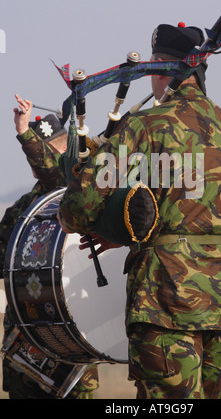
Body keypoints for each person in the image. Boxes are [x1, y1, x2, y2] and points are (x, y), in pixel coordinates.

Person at [57, 23, 221, 399]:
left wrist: (99, 216)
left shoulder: (146, 125)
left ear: (160, 69)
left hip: (168, 294)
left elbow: (79, 209)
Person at [0, 95, 99, 399]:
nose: (42, 157)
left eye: (51, 149)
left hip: (69, 344)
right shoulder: (21, 209)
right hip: (25, 344)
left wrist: (23, 133)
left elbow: (57, 174)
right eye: (40, 150)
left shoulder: (76, 197)